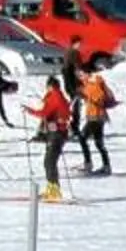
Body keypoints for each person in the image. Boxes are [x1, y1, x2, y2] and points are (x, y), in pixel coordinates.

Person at [34, 71, 73, 200]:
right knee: (49, 162)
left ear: (51, 86)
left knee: (49, 162)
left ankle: (54, 190)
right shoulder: (56, 96)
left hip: (57, 133)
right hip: (54, 132)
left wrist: (29, 110)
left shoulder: (55, 97)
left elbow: (44, 113)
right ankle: (51, 188)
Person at [76, 60, 115, 175]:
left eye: (81, 73)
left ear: (87, 73)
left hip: (96, 116)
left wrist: (86, 97)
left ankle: (88, 163)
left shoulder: (95, 83)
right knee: (98, 142)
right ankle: (106, 165)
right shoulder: (87, 83)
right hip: (93, 116)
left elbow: (99, 100)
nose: (79, 76)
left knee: (83, 138)